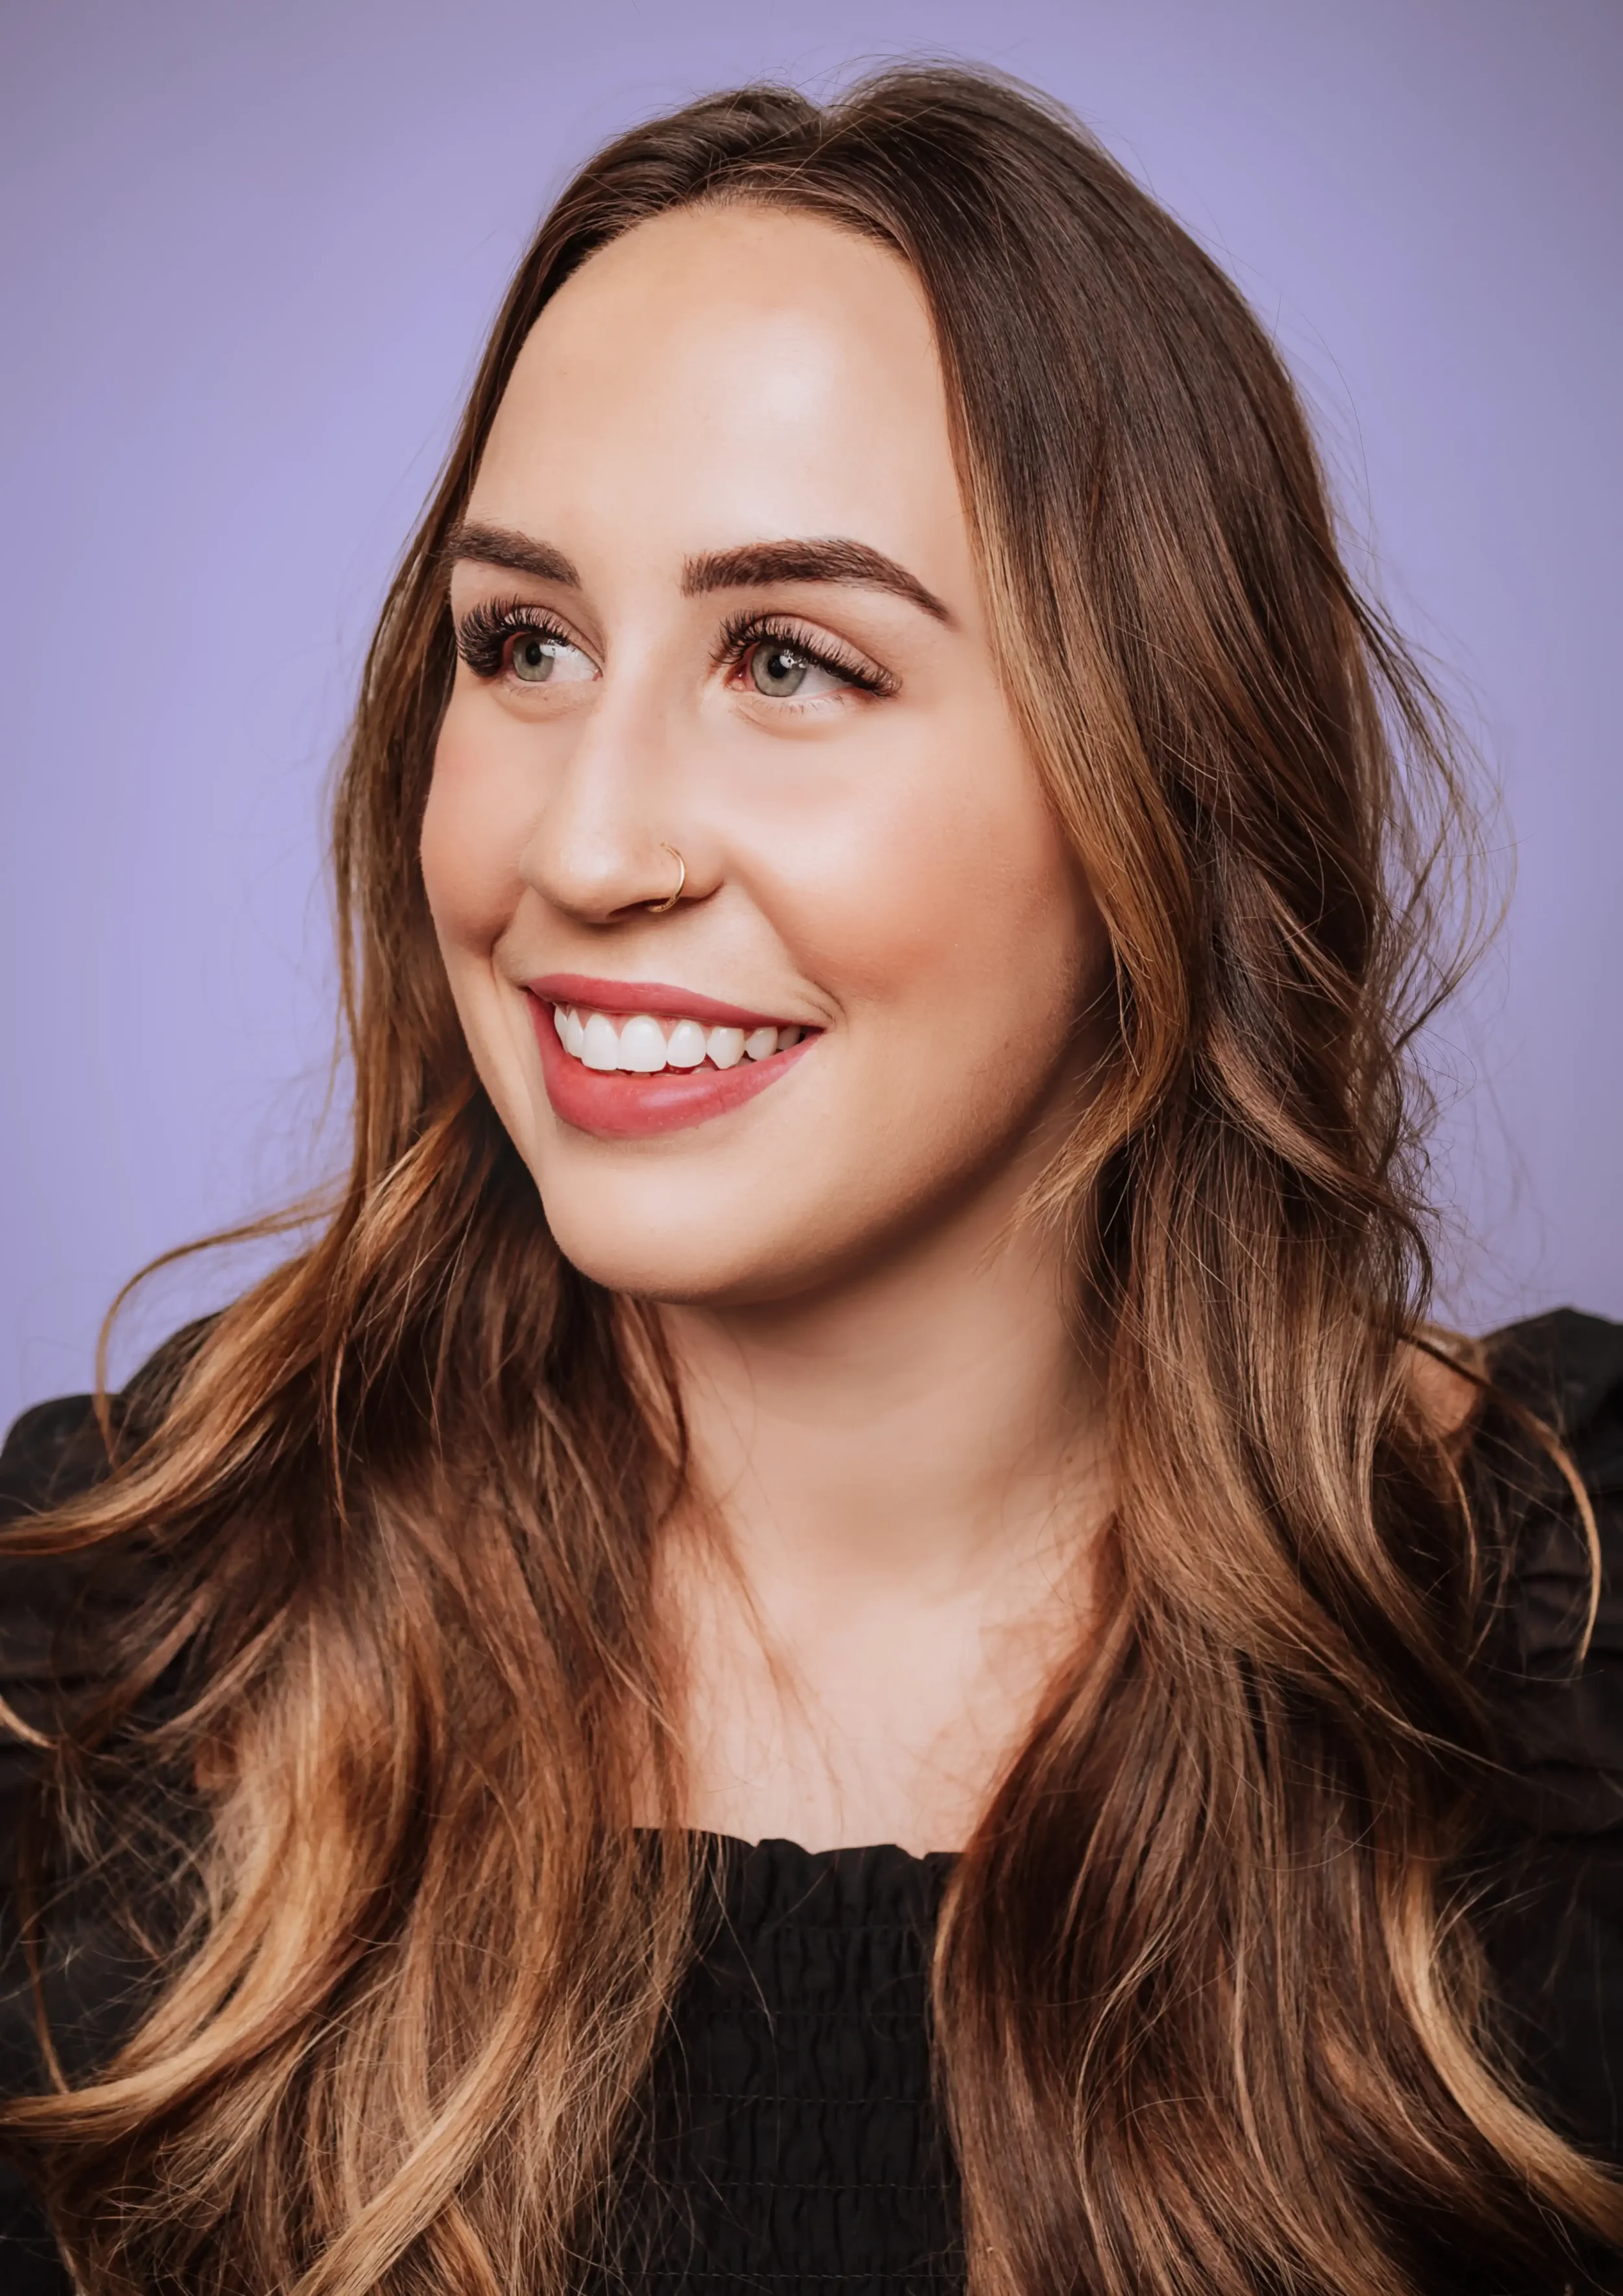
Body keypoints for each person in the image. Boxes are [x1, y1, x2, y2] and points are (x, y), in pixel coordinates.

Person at [1, 64, 1619, 2296]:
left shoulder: (1559, 1650)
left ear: (1160, 782)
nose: (581, 846)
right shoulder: (102, 1650)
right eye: (524, 645)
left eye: (791, 660)